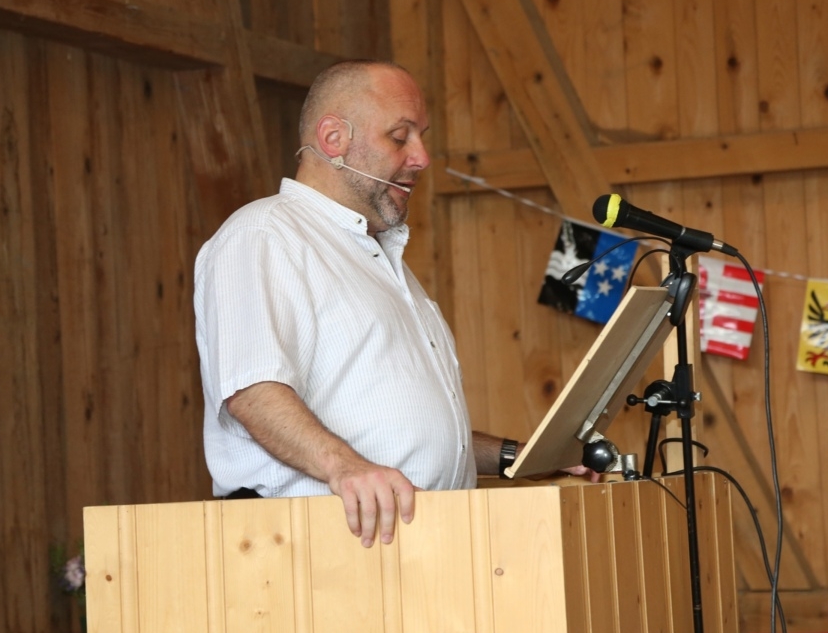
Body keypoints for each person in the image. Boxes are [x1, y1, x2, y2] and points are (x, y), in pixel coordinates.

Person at [195, 60, 590, 549]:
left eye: (421, 138)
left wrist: (519, 458)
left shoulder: (380, 258)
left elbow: (410, 435)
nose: (422, 158)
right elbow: (252, 392)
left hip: (415, 541)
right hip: (315, 546)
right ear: (333, 138)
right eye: (400, 137)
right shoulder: (264, 234)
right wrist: (346, 469)